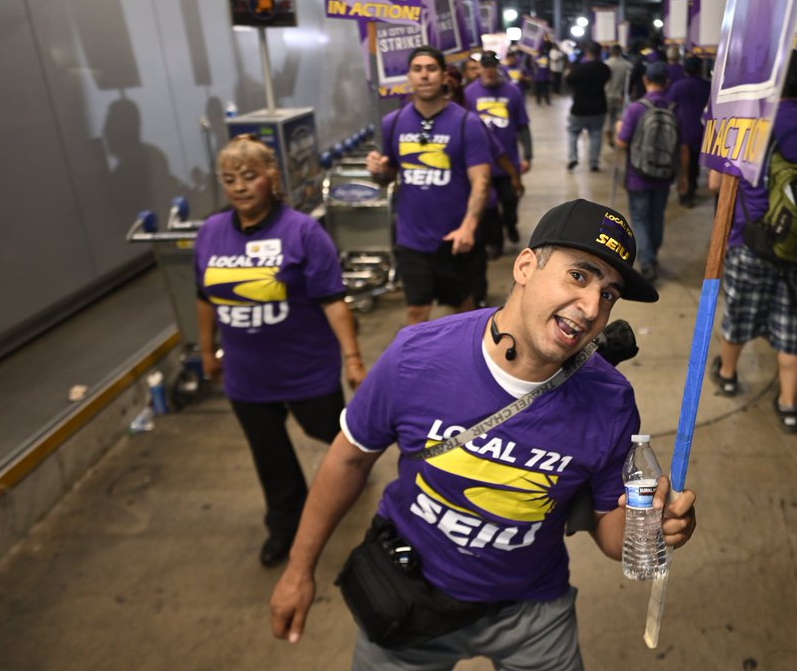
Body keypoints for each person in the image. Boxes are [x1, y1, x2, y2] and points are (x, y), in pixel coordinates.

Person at [269, 198, 697, 669]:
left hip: (532, 613)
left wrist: (652, 528)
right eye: (579, 275)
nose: (593, 307)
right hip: (406, 599)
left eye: (609, 294)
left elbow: (610, 533)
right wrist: (299, 570)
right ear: (525, 266)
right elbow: (349, 458)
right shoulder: (418, 356)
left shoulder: (611, 402)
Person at [194, 135, 366, 568]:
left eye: (249, 176)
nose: (239, 187)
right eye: (229, 179)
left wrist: (352, 359)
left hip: (306, 368)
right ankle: (285, 527)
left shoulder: (303, 232)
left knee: (331, 433)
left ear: (271, 177)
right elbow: (204, 297)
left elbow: (333, 300)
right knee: (270, 457)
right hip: (247, 375)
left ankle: (354, 470)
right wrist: (207, 350)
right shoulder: (211, 233)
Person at [707, 51, 797, 434]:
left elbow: (715, 185)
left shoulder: (745, 127)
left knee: (739, 314)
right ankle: (789, 405)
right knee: (793, 327)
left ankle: (727, 375)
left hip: (748, 243)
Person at [367, 46, 492, 325]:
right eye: (417, 69)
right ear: (409, 77)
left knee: (462, 310)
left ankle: (466, 352)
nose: (424, 76)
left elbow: (481, 181)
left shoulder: (467, 124)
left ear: (444, 76)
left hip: (454, 239)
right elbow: (387, 177)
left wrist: (468, 227)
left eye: (431, 69)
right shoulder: (392, 123)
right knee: (416, 312)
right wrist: (378, 171)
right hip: (411, 238)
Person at [614, 61, 675, 282]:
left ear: (645, 80)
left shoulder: (636, 108)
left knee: (639, 219)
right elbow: (682, 146)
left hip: (637, 175)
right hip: (664, 175)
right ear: (667, 83)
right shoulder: (673, 108)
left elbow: (622, 143)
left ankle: (647, 262)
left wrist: (618, 129)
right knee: (657, 216)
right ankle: (653, 254)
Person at [464, 50, 530, 254]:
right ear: (480, 69)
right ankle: (496, 241)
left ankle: (510, 223)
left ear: (497, 67)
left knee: (510, 200)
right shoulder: (469, 93)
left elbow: (523, 125)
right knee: (489, 207)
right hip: (481, 162)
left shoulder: (512, 91)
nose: (489, 70)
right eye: (485, 66)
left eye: (492, 66)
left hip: (509, 160)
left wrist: (528, 155)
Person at [667, 55, 712, 207]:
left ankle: (685, 194)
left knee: (683, 165)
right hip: (702, 131)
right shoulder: (707, 86)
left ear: (685, 69)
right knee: (695, 163)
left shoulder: (678, 86)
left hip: (683, 131)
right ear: (700, 69)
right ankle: (692, 188)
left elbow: (669, 104)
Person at [564, 42, 612, 172]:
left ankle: (573, 158)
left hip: (580, 107)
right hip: (599, 107)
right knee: (596, 134)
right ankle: (593, 163)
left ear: (587, 53)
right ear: (600, 53)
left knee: (573, 132)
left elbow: (568, 80)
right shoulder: (605, 69)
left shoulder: (580, 68)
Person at [604, 44, 632, 144]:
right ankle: (620, 138)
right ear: (620, 52)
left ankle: (609, 138)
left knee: (608, 119)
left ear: (610, 51)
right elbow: (629, 83)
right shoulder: (628, 65)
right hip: (621, 97)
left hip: (607, 95)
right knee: (620, 118)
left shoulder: (606, 64)